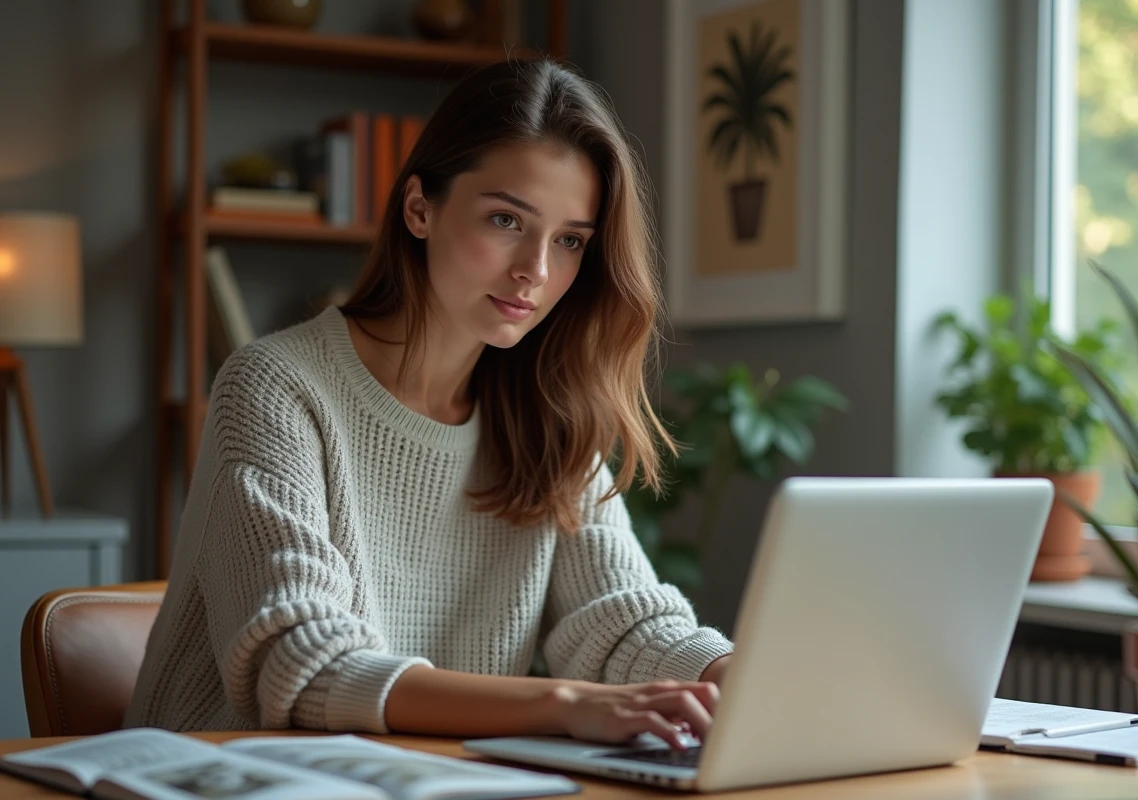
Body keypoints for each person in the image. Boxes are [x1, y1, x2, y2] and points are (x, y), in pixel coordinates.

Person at [125, 57, 733, 750]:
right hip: (220, 777)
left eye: (569, 241)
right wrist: (564, 703)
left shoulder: (548, 416)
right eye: (507, 219)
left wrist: (732, 673)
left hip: (428, 780)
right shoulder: (275, 387)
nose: (535, 270)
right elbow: (303, 667)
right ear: (420, 208)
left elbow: (621, 623)